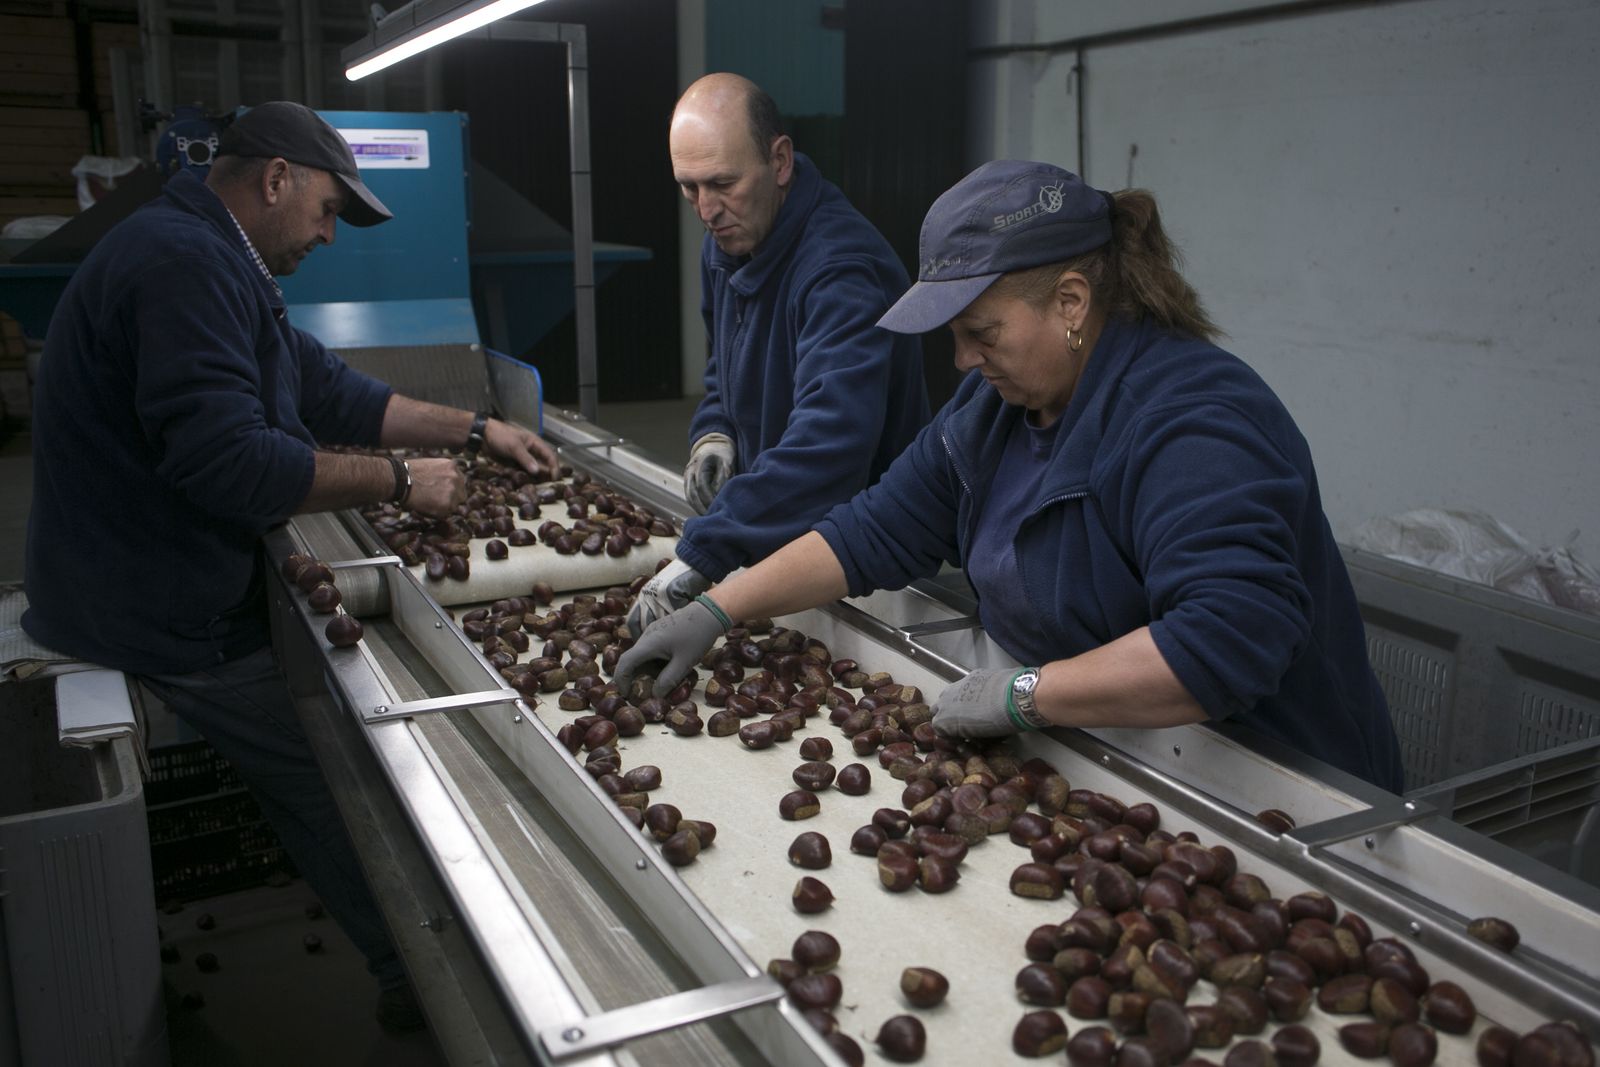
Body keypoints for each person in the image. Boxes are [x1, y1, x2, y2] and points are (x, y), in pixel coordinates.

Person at [617, 159, 1404, 792]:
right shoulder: (991, 411)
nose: (962, 359)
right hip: (1121, 762)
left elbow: (1223, 643)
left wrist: (1024, 695)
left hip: (1276, 798)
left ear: (1070, 302)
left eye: (980, 332)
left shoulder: (1195, 421)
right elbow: (872, 528)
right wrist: (721, 606)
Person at [22, 101, 559, 1029]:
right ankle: (435, 986)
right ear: (274, 180)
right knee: (339, 769)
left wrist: (474, 428)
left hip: (156, 574)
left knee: (343, 736)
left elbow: (321, 387)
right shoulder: (183, 265)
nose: (325, 234)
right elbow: (228, 464)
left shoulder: (211, 252)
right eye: (322, 209)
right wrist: (397, 480)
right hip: (153, 605)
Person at [627, 73, 929, 635]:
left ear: (781, 161)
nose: (706, 209)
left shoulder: (841, 273)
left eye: (722, 183)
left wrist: (705, 551)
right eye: (689, 187)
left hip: (859, 558)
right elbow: (724, 366)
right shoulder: (728, 243)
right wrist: (714, 431)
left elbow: (829, 447)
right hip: (777, 533)